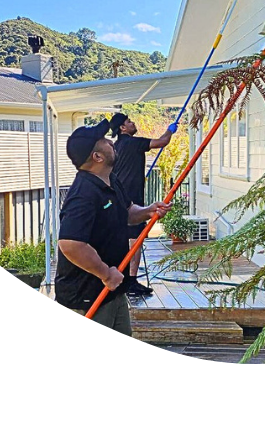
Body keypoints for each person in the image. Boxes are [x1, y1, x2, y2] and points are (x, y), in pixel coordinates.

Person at [54, 118, 171, 335]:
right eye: (104, 141)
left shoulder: (111, 180)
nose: (111, 142)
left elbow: (126, 213)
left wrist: (149, 211)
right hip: (87, 297)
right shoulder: (83, 194)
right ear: (97, 157)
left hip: (113, 290)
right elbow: (71, 244)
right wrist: (106, 273)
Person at [109, 111, 177, 297]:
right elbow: (162, 142)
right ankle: (130, 282)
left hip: (118, 197)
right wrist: (170, 130)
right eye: (129, 121)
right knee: (135, 242)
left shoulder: (116, 147)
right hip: (132, 202)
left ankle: (121, 278)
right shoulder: (133, 142)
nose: (132, 123)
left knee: (125, 241)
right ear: (123, 128)